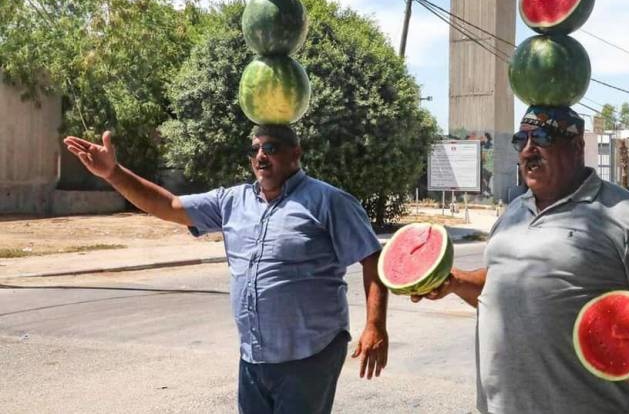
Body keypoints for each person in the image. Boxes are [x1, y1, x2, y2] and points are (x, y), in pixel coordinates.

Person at [64, 124, 389, 414]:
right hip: (254, 356)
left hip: (310, 354)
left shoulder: (328, 201)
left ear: (296, 154)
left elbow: (371, 257)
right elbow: (169, 206)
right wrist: (113, 173)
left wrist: (375, 325)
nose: (261, 156)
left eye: (271, 148)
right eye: (255, 149)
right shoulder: (232, 201)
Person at [412, 105, 629, 414]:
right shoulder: (514, 211)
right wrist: (456, 282)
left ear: (577, 146)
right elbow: (501, 285)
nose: (529, 149)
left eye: (542, 138)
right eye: (521, 140)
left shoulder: (627, 215)